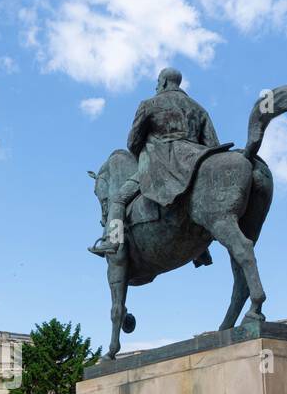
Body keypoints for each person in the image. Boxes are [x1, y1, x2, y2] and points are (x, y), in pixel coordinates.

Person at [91, 67, 226, 257]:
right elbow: (212, 145)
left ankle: (112, 242)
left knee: (118, 199)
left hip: (158, 165)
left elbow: (132, 142)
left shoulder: (150, 104)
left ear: (162, 82)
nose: (156, 87)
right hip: (193, 164)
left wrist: (145, 156)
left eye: (157, 83)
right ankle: (201, 250)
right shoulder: (199, 109)